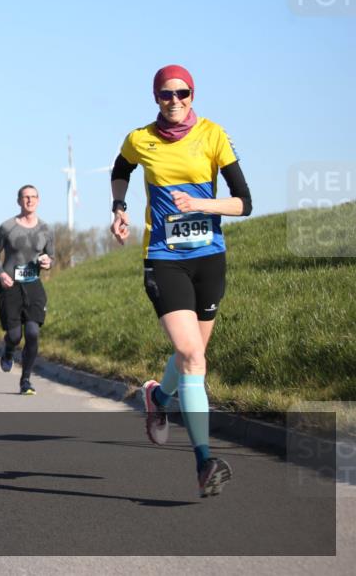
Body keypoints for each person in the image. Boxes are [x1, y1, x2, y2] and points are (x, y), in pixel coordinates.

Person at [110, 64, 252, 498]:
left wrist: (205, 204)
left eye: (183, 93)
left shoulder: (213, 135)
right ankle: (204, 462)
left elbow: (244, 202)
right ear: (155, 98)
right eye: (166, 94)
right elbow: (122, 168)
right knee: (192, 354)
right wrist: (119, 207)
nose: (175, 100)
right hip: (164, 258)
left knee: (194, 353)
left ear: (193, 95)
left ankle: (159, 397)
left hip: (209, 259)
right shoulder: (140, 138)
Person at [0, 185, 54, 395]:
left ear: (39, 200)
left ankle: (25, 380)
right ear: (19, 201)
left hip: (34, 284)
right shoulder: (7, 227)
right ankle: (8, 351)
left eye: (33, 197)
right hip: (10, 286)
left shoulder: (46, 229)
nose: (30, 200)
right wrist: (1, 274)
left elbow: (50, 257)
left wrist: (47, 262)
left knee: (33, 333)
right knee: (16, 336)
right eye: (25, 197)